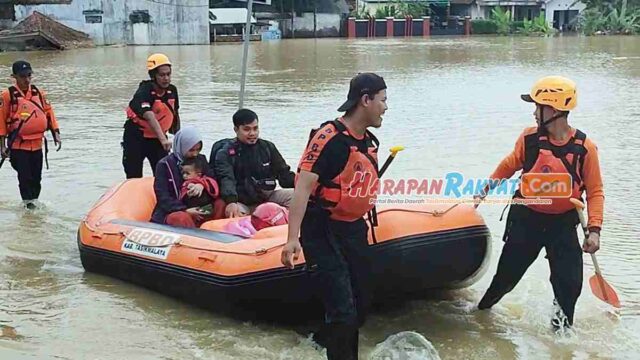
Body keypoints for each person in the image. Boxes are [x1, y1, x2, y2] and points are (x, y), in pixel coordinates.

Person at [473, 76, 604, 332]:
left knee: (568, 287)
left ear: (553, 110)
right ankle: (480, 315)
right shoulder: (529, 139)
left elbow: (596, 191)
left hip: (564, 225)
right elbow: (509, 165)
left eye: (538, 107)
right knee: (505, 279)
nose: (534, 113)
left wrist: (595, 230)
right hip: (526, 220)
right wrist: (483, 192)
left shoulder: (585, 148)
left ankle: (561, 340)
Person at [281, 73, 388, 360]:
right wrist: (292, 239)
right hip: (321, 228)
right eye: (383, 100)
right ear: (365, 100)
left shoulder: (368, 141)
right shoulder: (329, 138)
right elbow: (302, 188)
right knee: (343, 311)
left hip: (352, 228)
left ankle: (320, 340)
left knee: (361, 302)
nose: (386, 107)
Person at [0, 60, 62, 209]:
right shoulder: (7, 95)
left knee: (36, 179)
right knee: (25, 178)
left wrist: (56, 133)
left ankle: (33, 205)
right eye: (22, 76)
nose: (26, 80)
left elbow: (49, 113)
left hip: (37, 145)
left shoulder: (39, 93)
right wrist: (2, 146)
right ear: (14, 76)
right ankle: (28, 208)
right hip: (18, 147)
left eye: (29, 75)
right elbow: (1, 121)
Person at [211, 108, 295, 218]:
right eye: (247, 129)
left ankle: (288, 225)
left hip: (267, 197)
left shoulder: (268, 147)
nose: (252, 133)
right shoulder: (225, 153)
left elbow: (284, 174)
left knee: (299, 196)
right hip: (241, 203)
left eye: (255, 129)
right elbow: (226, 179)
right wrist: (231, 201)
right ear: (236, 129)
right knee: (233, 210)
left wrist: (304, 184)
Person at [151, 127, 225, 228]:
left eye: (198, 149)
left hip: (200, 204)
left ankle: (217, 234)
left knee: (220, 203)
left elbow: (212, 178)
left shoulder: (200, 159)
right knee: (181, 217)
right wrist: (184, 209)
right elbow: (162, 195)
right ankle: (194, 240)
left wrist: (201, 184)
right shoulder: (164, 164)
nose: (195, 153)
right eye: (191, 150)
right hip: (175, 209)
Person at [122, 53, 180, 179]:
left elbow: (175, 114)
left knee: (165, 174)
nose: (166, 78)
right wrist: (163, 140)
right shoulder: (144, 91)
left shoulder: (172, 91)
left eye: (168, 74)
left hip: (158, 140)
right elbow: (149, 115)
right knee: (134, 174)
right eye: (162, 75)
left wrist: (178, 137)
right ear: (153, 76)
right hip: (137, 138)